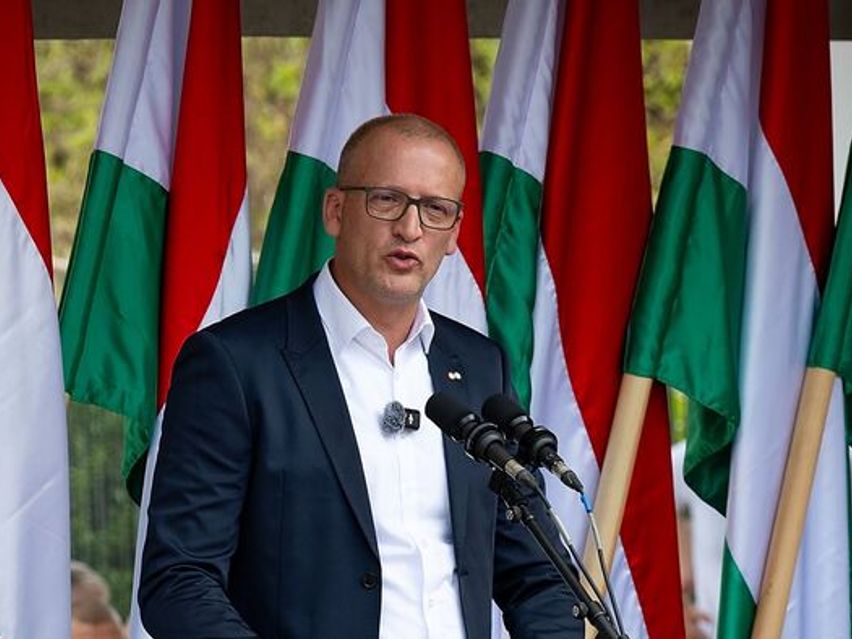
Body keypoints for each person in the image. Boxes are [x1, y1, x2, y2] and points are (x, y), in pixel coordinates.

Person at [139, 114, 581, 638]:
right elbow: (179, 578)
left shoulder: (480, 365)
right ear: (335, 210)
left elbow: (541, 577)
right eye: (387, 200)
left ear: (454, 233)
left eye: (436, 209)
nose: (410, 229)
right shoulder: (235, 363)